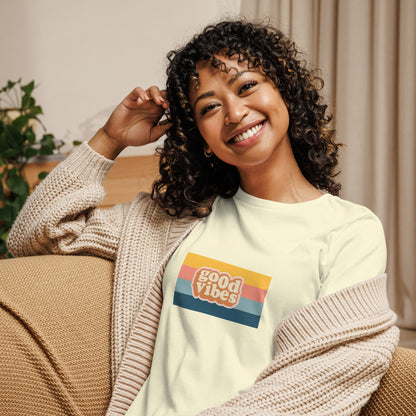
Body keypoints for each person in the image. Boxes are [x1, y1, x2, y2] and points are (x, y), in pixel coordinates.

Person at [6, 20, 398, 416]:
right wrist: (110, 139)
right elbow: (37, 235)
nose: (234, 112)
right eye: (209, 107)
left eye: (246, 86)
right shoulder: (175, 221)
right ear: (201, 137)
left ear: (285, 90)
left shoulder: (350, 230)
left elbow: (326, 375)